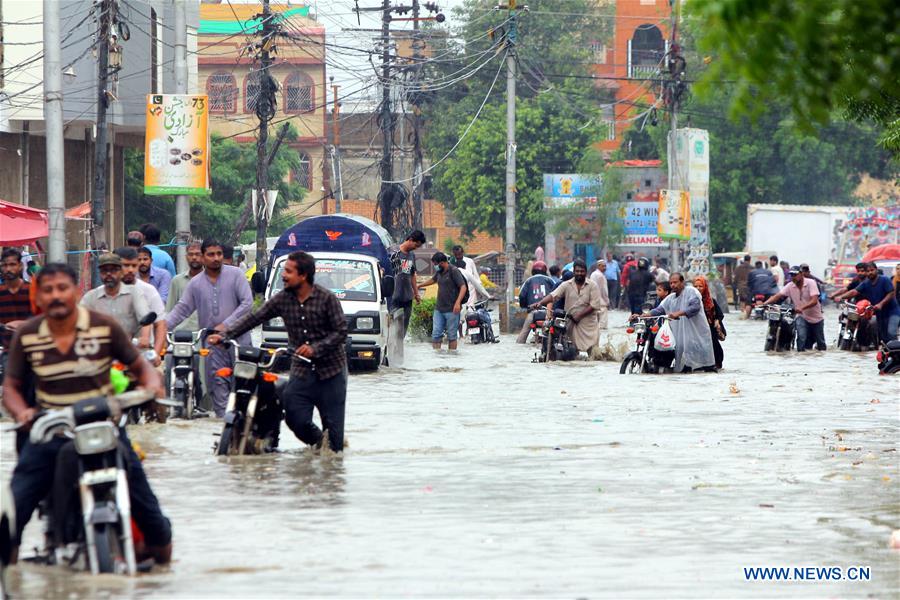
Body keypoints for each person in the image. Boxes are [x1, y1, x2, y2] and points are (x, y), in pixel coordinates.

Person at [2, 263, 172, 565]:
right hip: (52, 430)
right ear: (38, 297)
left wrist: (151, 384)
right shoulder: (27, 335)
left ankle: (161, 566)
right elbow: (12, 387)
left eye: (62, 288)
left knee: (154, 520)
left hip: (104, 427)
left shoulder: (104, 327)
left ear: (74, 291)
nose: (56, 296)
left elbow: (139, 365)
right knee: (11, 517)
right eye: (48, 290)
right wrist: (23, 412)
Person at [207, 252, 348, 453]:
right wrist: (225, 335)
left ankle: (331, 453)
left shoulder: (327, 299)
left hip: (331, 372)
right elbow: (255, 317)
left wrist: (315, 348)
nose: (284, 275)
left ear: (303, 276)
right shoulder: (282, 299)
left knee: (335, 439)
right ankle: (319, 445)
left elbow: (341, 332)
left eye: (288, 272)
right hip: (301, 371)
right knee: (294, 417)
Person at [165, 239, 254, 417]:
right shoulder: (196, 283)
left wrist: (225, 325)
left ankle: (244, 429)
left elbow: (247, 304)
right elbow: (182, 309)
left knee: (243, 385)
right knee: (217, 385)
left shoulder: (236, 275)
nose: (216, 258)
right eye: (211, 254)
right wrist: (160, 330)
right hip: (213, 343)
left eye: (219, 254)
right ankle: (224, 431)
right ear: (204, 258)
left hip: (239, 341)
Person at [642, 273, 715, 372]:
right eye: (671, 283)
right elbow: (659, 310)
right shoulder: (671, 298)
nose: (672, 285)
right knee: (681, 363)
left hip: (696, 334)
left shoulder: (691, 292)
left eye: (675, 282)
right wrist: (643, 315)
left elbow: (694, 307)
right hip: (679, 336)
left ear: (682, 282)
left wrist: (678, 313)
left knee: (701, 365)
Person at [531, 259, 603, 354]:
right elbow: (553, 295)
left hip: (589, 324)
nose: (579, 273)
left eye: (582, 271)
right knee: (572, 350)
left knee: (593, 352)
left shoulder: (593, 286)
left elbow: (594, 305)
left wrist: (579, 316)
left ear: (586, 272)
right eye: (577, 271)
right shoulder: (566, 285)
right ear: (573, 272)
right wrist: (540, 303)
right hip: (571, 323)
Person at [80, 253, 152, 340]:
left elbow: (146, 319)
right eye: (104, 271)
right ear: (100, 273)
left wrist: (145, 338)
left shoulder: (134, 293)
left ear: (121, 272)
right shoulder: (90, 297)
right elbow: (79, 322)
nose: (109, 274)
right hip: (100, 348)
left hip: (128, 347)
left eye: (113, 270)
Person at [115, 247, 167, 363]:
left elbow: (160, 325)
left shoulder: (148, 290)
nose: (130, 270)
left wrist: (156, 354)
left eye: (134, 266)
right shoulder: (102, 294)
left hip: (143, 357)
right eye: (126, 265)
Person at [762, 267, 826, 351]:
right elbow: (777, 296)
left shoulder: (811, 283)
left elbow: (814, 301)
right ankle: (800, 357)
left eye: (795, 275)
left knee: (820, 342)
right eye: (791, 275)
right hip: (801, 316)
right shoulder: (790, 286)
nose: (793, 277)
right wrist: (764, 304)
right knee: (801, 337)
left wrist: (802, 307)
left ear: (801, 274)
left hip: (816, 318)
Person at [837, 262, 900, 344]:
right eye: (868, 271)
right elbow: (854, 291)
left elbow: (891, 293)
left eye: (872, 270)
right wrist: (841, 297)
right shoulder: (866, 283)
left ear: (876, 270)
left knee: (891, 333)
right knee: (882, 337)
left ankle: (896, 353)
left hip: (892, 312)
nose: (870, 272)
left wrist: (880, 304)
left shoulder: (884, 280)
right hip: (880, 313)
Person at [418, 252, 467, 353]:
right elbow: (433, 280)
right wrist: (419, 286)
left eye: (436, 264)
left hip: (452, 309)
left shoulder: (454, 271)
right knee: (436, 334)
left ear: (442, 262)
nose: (435, 266)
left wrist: (458, 303)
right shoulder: (439, 272)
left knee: (452, 336)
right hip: (439, 309)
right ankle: (438, 358)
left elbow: (463, 287)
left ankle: (451, 357)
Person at [389, 230, 425, 335]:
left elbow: (412, 275)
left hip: (407, 297)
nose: (416, 248)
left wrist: (416, 293)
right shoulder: (393, 252)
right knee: (392, 326)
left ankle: (400, 349)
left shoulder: (411, 255)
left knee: (403, 328)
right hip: (393, 297)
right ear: (410, 240)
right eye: (416, 245)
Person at [0, 249, 35, 348]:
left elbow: (42, 317)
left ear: (20, 266)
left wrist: (23, 324)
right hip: (6, 348)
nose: (8, 269)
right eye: (4, 265)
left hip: (31, 347)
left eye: (12, 265)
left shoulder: (32, 290)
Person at [166, 241, 203, 332]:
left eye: (197, 254)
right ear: (186, 257)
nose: (194, 257)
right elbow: (170, 309)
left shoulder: (210, 280)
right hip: (180, 334)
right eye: (190, 254)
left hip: (203, 332)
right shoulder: (177, 281)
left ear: (203, 256)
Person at [516, 261, 556, 343]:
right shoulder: (550, 280)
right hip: (549, 313)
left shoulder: (528, 281)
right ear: (545, 270)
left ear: (533, 270)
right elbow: (557, 294)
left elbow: (521, 296)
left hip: (533, 312)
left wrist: (525, 306)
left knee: (522, 337)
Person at [694, 276, 726, 369]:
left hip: (710, 329)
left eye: (700, 286)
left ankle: (716, 364)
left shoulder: (711, 301)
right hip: (697, 329)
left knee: (714, 347)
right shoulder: (691, 300)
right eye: (696, 286)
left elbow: (720, 314)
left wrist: (717, 321)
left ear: (705, 287)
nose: (698, 289)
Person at [589, 259, 610, 330]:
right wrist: (607, 301)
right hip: (601, 301)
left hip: (593, 299)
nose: (605, 268)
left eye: (605, 266)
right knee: (602, 325)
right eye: (603, 266)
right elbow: (604, 290)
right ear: (598, 266)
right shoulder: (600, 276)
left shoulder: (593, 274)